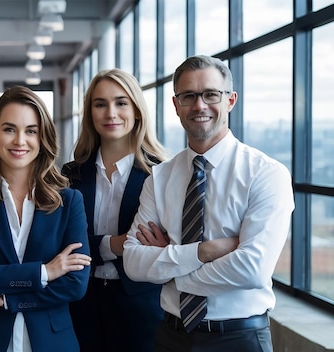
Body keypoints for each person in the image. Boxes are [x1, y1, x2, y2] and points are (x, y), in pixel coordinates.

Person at [122, 55, 294, 352]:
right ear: (176, 105)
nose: (199, 105)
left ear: (230, 100)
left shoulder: (266, 174)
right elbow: (133, 263)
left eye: (211, 94)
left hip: (239, 338)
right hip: (171, 336)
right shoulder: (160, 178)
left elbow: (252, 269)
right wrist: (204, 251)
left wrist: (170, 267)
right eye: (188, 96)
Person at [0, 86, 92, 352]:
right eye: (9, 129)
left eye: (31, 131)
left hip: (52, 342)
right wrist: (45, 272)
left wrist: (5, 292)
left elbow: (75, 284)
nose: (19, 141)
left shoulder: (69, 201)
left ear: (42, 137)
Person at [61, 68, 167, 352]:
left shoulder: (161, 174)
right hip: (80, 301)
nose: (111, 113)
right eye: (100, 104)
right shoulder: (71, 175)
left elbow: (166, 248)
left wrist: (98, 247)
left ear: (136, 110)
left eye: (121, 102)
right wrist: (118, 244)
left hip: (141, 306)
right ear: (90, 113)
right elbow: (65, 247)